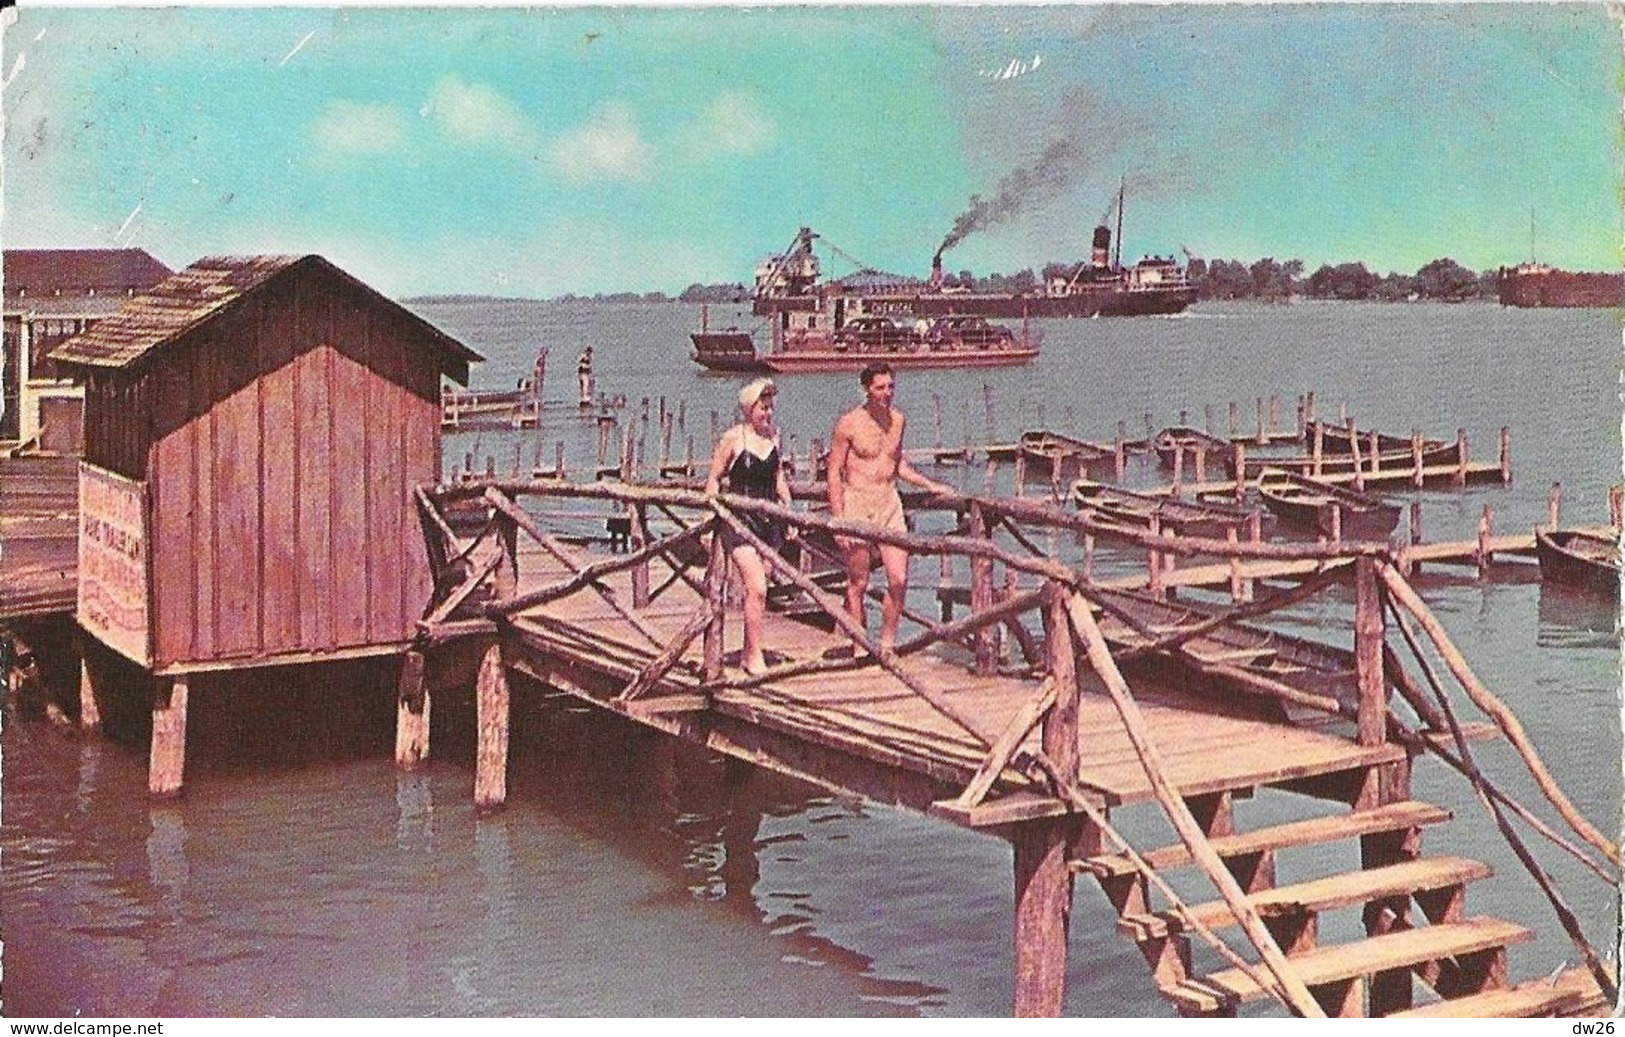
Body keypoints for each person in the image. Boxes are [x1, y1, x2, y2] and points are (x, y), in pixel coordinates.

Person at [827, 361, 952, 654]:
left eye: (891, 386)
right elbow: (834, 472)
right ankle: (860, 646)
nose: (887, 393)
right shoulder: (849, 423)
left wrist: (930, 485)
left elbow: (898, 465)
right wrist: (838, 519)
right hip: (857, 502)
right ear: (867, 390)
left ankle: (886, 645)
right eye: (880, 387)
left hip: (889, 503)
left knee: (898, 578)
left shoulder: (898, 420)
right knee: (858, 582)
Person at [704, 377, 792, 675]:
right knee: (756, 586)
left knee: (759, 592)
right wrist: (711, 517)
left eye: (770, 408)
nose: (767, 414)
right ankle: (754, 657)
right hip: (739, 522)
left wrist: (789, 510)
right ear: (748, 409)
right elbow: (714, 478)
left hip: (770, 522)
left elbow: (777, 476)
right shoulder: (733, 438)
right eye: (762, 408)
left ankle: (748, 650)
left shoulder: (773, 438)